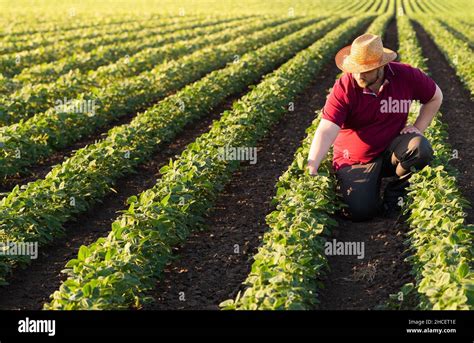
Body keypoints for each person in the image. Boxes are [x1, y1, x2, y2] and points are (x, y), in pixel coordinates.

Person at [306, 33, 443, 221]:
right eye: (355, 69)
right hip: (356, 159)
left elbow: (436, 97)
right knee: (360, 212)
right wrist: (312, 163)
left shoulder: (406, 76)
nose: (359, 74)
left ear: (381, 66)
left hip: (390, 151)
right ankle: (368, 189)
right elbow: (327, 128)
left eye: (366, 70)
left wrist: (418, 127)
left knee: (420, 148)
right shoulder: (345, 86)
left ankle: (395, 196)